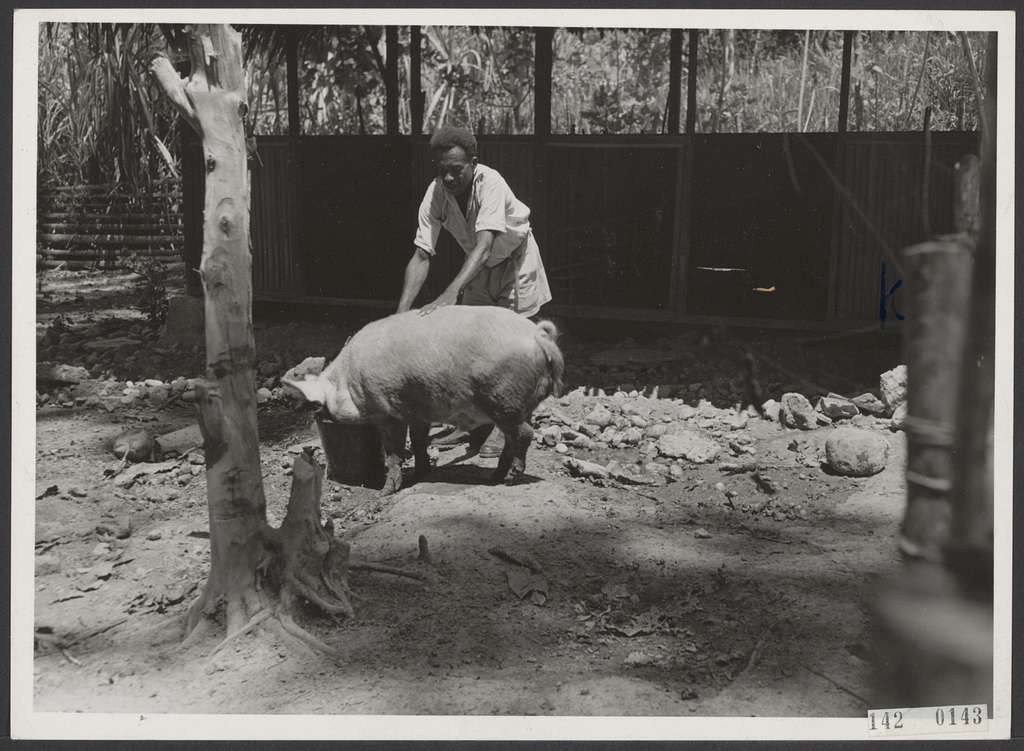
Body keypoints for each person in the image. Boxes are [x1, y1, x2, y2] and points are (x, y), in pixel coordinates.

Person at [397, 125, 552, 456]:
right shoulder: (436, 192)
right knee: (476, 348)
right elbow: (422, 253)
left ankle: (510, 426)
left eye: (457, 171)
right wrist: (399, 317)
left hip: (514, 260)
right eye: (443, 172)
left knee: (515, 350)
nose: (450, 179)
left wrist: (451, 294)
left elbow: (484, 245)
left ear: (473, 163)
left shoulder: (490, 182)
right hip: (478, 269)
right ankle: (478, 427)